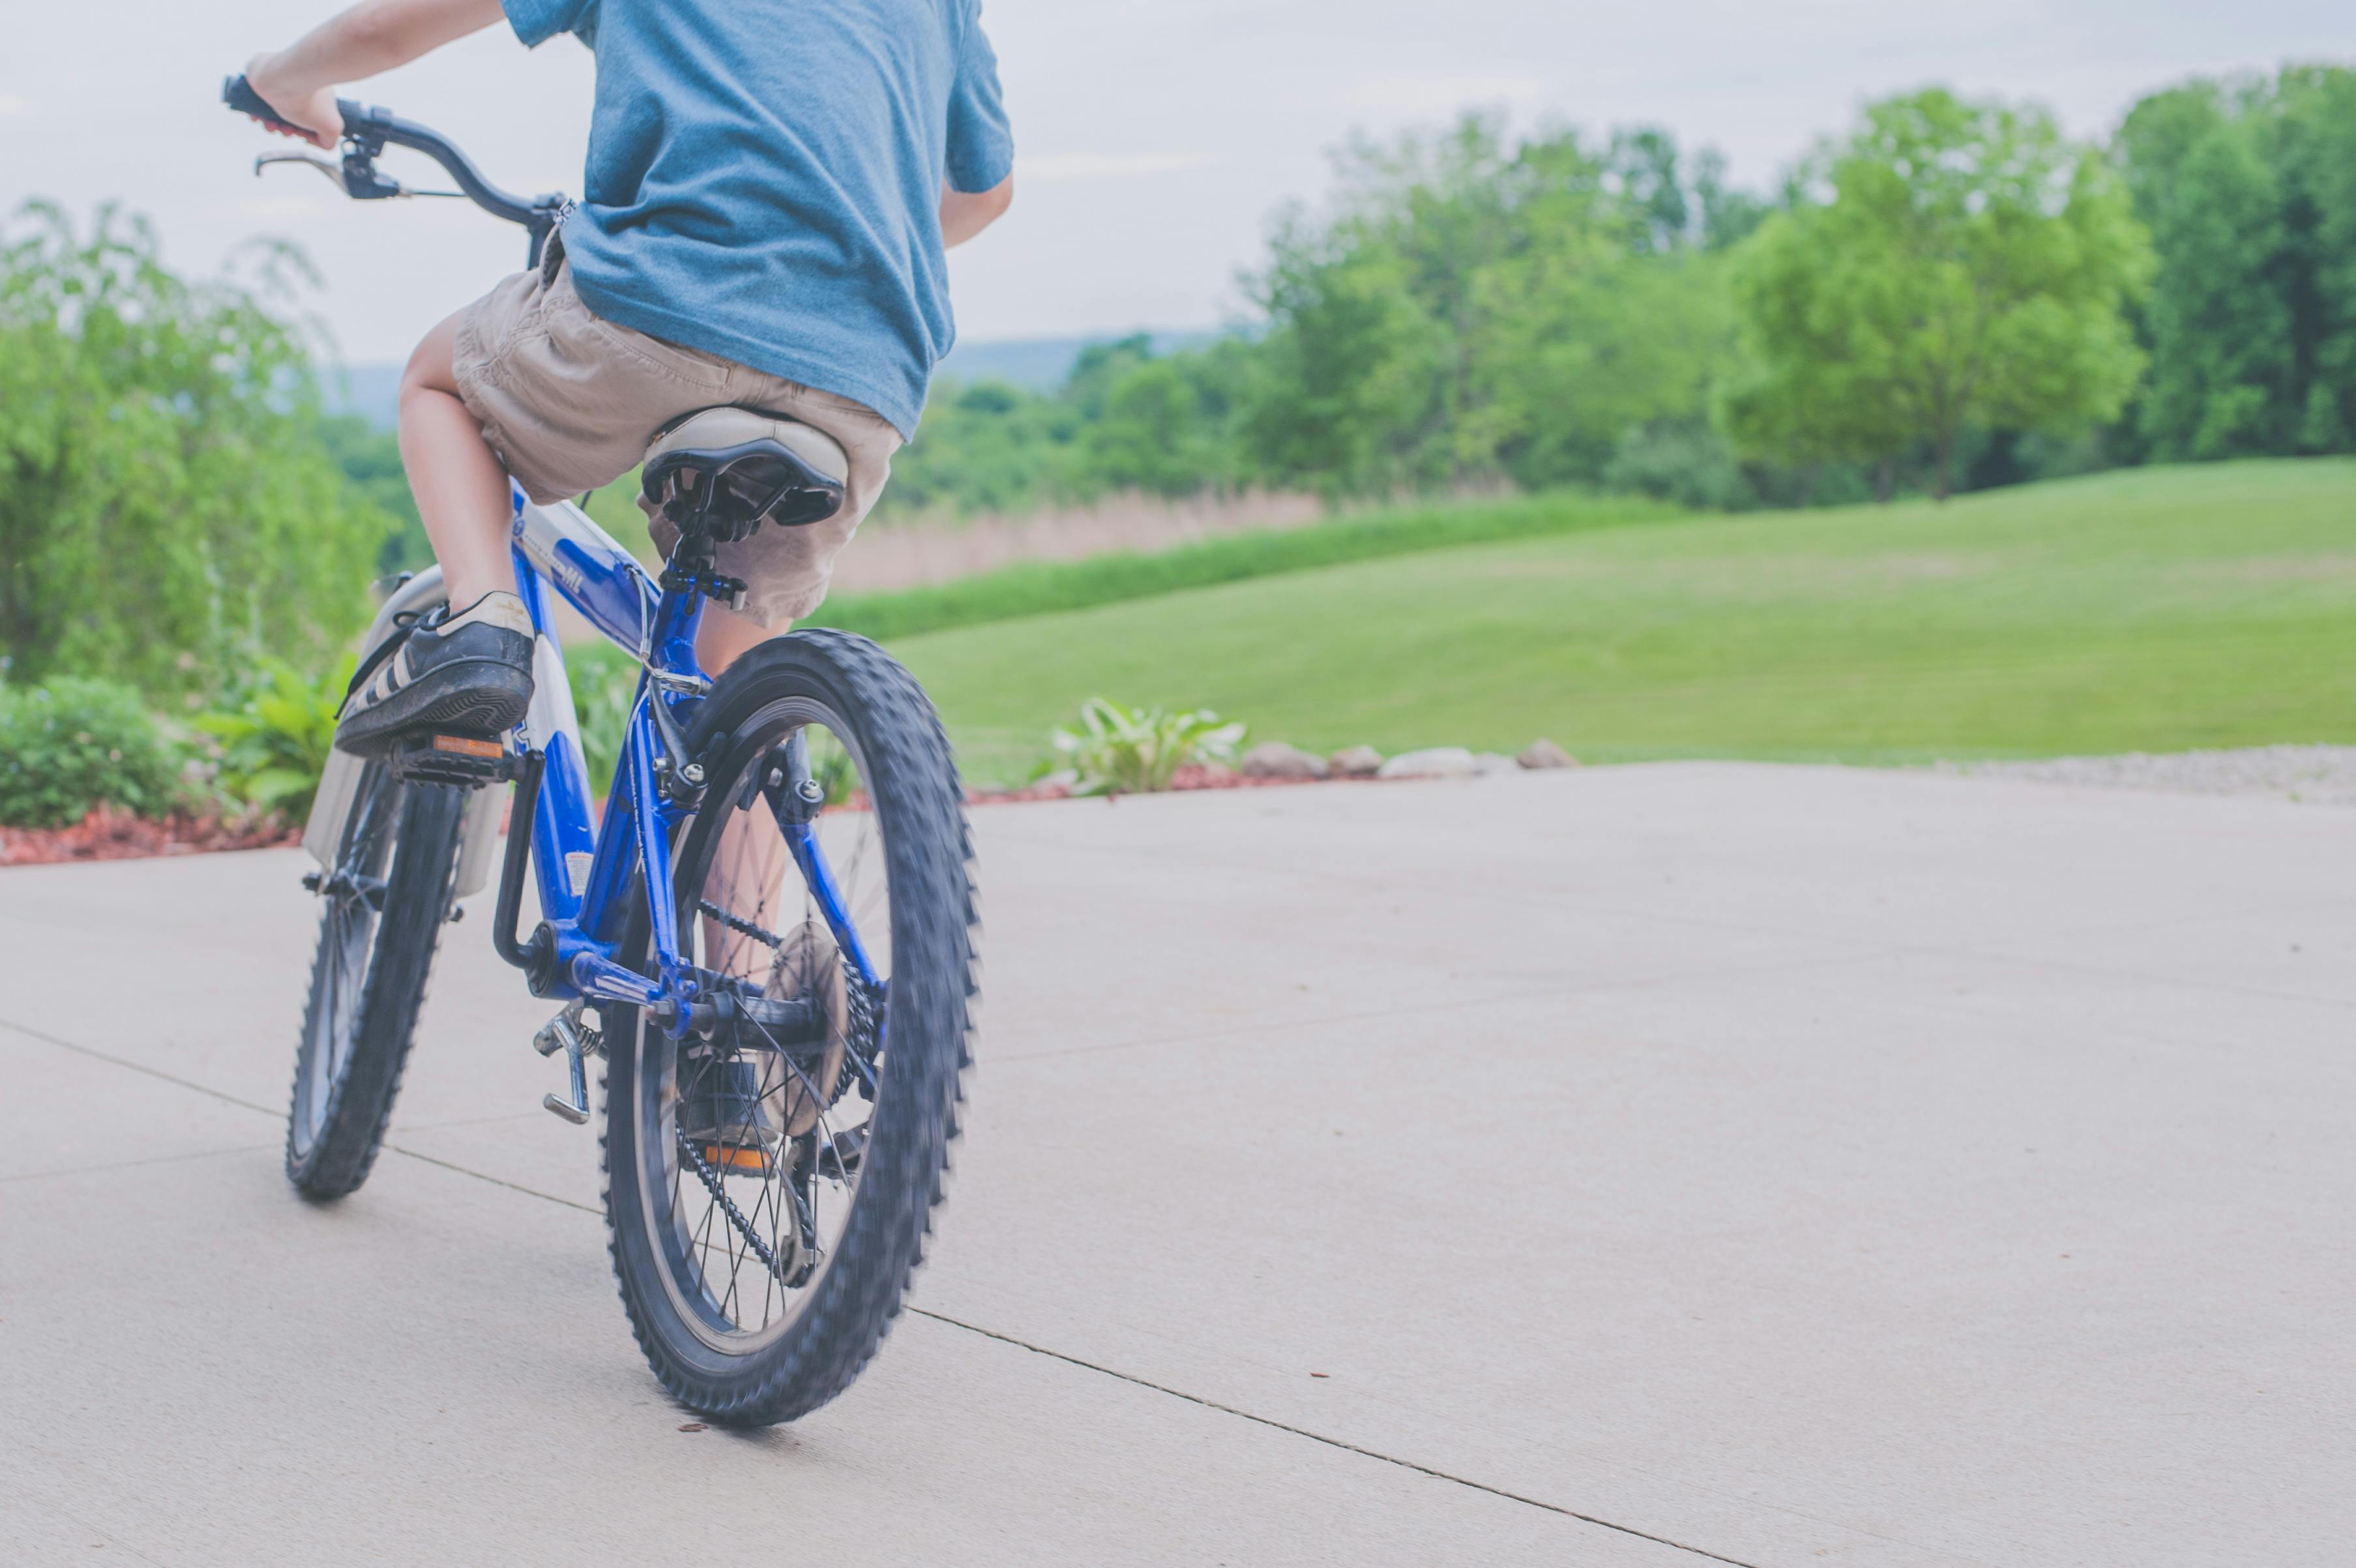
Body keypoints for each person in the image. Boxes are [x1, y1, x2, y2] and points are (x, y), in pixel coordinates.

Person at [241, 0, 1014, 752]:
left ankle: (483, 622)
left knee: (437, 381)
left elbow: (382, 26)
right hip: (863, 369)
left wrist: (283, 82)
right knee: (737, 709)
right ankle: (731, 878)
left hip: (665, 306)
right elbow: (984, 193)